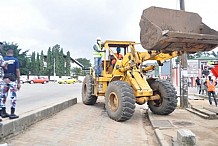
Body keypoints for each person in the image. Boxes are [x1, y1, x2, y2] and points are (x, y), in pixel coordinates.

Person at [1, 48, 21, 119]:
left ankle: (3, 112)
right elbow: (17, 71)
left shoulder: (3, 59)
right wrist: (19, 82)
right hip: (12, 80)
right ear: (13, 53)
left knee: (3, 96)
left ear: (6, 53)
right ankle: (12, 113)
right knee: (13, 96)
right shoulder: (15, 60)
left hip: (4, 79)